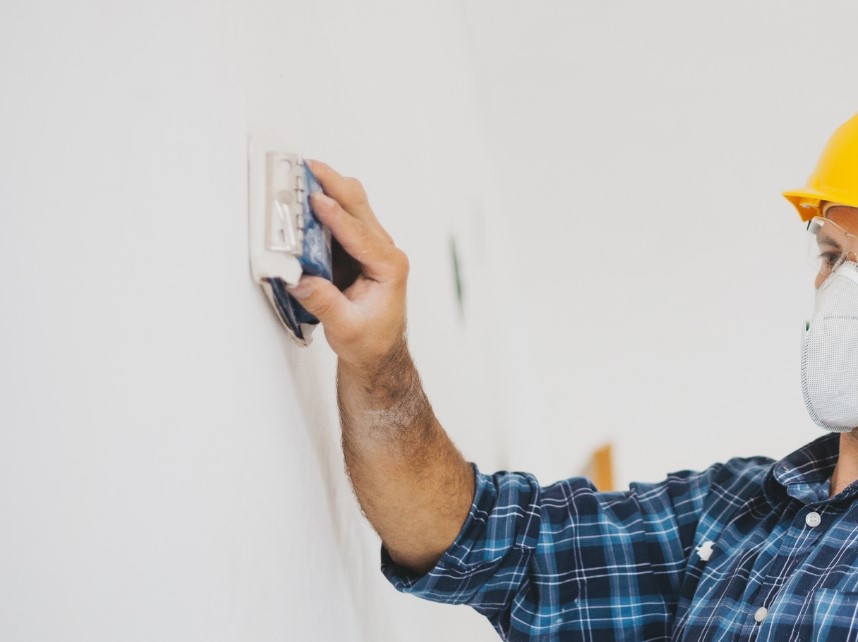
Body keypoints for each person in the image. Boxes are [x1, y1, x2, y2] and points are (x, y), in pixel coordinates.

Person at [286, 113, 858, 641]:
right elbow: (479, 540)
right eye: (832, 257)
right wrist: (376, 357)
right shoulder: (733, 513)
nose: (838, 291)